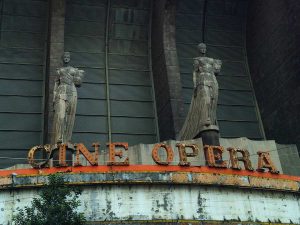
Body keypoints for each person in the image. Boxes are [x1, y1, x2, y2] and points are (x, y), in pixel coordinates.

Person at [178, 43, 222, 140]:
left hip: (212, 79)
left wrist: (219, 65)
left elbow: (216, 72)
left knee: (213, 100)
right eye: (201, 48)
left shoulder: (211, 60)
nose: (203, 49)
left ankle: (211, 119)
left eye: (204, 48)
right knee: (206, 100)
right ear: (199, 49)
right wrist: (195, 85)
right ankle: (206, 119)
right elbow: (195, 72)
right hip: (202, 80)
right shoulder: (197, 60)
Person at [52, 52, 84, 144]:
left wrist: (79, 76)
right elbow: (55, 85)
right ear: (62, 58)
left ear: (69, 58)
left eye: (68, 57)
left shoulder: (74, 70)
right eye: (65, 57)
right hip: (61, 93)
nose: (66, 58)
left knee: (70, 116)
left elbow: (79, 83)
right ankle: (59, 138)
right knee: (61, 116)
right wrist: (54, 99)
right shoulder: (59, 71)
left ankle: (67, 139)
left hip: (72, 92)